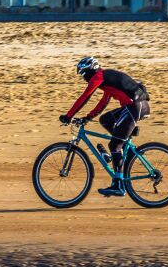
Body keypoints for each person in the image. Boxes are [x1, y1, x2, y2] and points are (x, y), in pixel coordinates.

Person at [59, 57, 150, 197]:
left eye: (84, 74)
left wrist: (68, 116)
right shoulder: (105, 79)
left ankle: (118, 185)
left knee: (114, 145)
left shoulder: (99, 76)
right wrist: (88, 117)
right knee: (106, 120)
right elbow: (103, 102)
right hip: (135, 107)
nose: (84, 78)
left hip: (135, 107)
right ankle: (123, 148)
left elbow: (85, 96)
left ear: (91, 69)